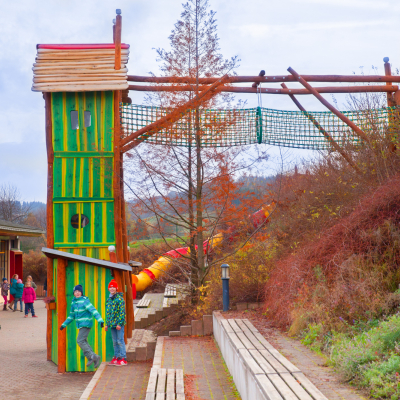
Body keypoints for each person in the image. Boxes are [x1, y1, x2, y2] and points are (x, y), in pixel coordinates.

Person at [60, 284, 103, 369]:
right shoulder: (74, 303)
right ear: (74, 293)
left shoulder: (85, 301)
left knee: (79, 340)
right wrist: (64, 324)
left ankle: (92, 356)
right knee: (83, 341)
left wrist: (100, 320)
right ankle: (94, 357)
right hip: (80, 325)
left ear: (81, 293)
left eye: (79, 291)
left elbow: (93, 310)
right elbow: (71, 316)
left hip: (86, 324)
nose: (77, 293)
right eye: (75, 291)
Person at [105, 279, 127, 366]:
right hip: (112, 324)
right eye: (110, 287)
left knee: (120, 340)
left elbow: (122, 312)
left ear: (116, 288)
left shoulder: (120, 299)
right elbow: (108, 313)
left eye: (114, 287)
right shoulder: (109, 300)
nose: (112, 289)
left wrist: (119, 323)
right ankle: (116, 357)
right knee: (114, 341)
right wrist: (107, 324)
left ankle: (123, 358)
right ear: (108, 289)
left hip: (119, 324)